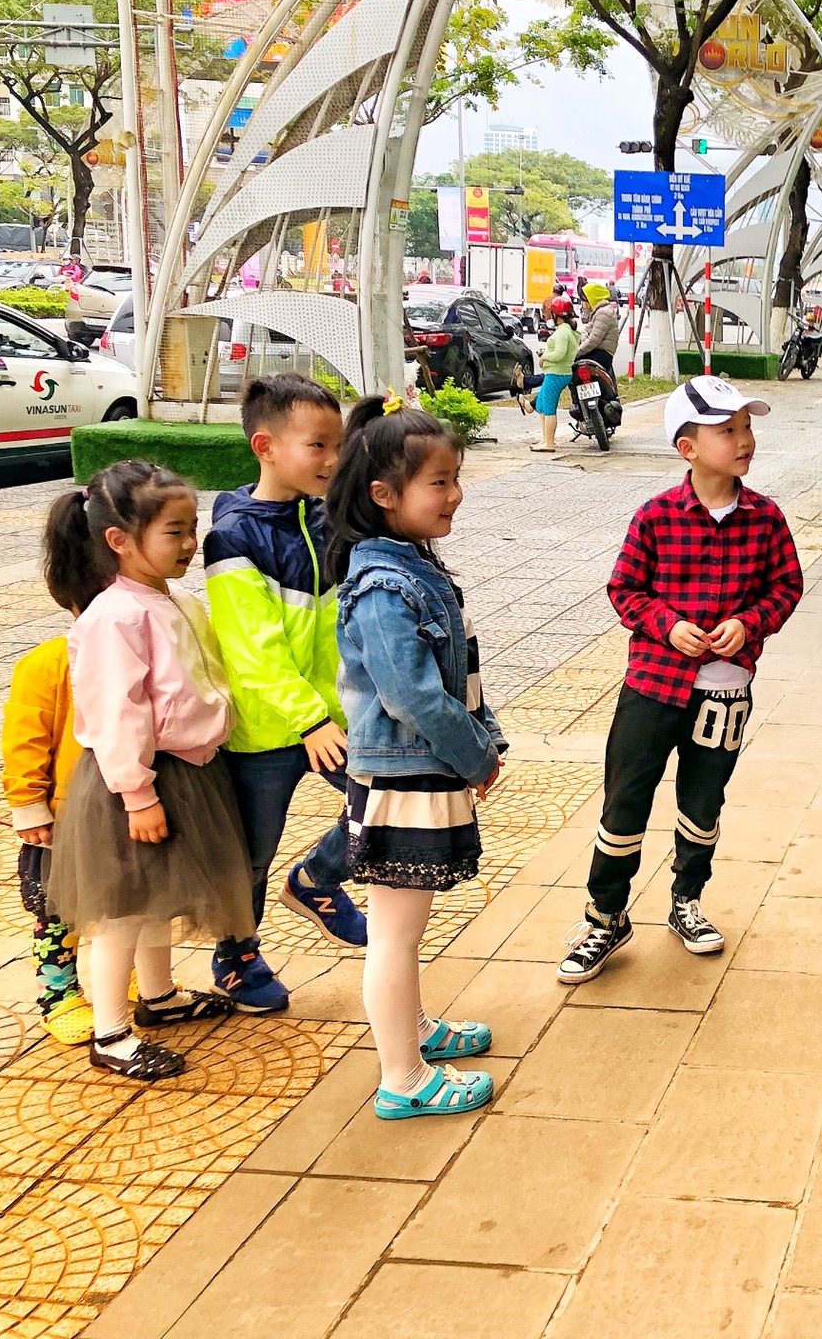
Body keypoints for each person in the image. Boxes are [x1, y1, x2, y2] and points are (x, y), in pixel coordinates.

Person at [556, 377, 804, 983]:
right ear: (687, 447)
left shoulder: (766, 518)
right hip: (652, 685)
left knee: (702, 800)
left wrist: (750, 624)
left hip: (726, 691)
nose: (744, 439)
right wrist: (667, 626)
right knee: (626, 797)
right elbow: (624, 589)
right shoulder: (657, 517)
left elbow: (787, 587)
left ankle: (687, 900)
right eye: (728, 430)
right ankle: (605, 916)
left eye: (747, 426)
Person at [42, 462, 252, 1080]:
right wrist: (137, 794)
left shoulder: (171, 597)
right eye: (174, 532)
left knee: (158, 898)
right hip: (133, 782)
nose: (191, 544)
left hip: (182, 775)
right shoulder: (114, 616)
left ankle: (157, 997)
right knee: (121, 910)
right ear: (119, 540)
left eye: (193, 528)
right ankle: (109, 1031)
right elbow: (118, 712)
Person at [328, 395, 504, 1119]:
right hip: (403, 776)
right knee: (394, 936)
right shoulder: (381, 586)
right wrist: (476, 756)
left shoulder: (411, 565)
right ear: (384, 495)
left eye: (455, 477)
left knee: (405, 928)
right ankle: (402, 1077)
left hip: (420, 771)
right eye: (438, 482)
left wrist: (483, 744)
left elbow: (459, 674)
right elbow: (415, 699)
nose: (454, 494)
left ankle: (414, 1030)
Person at [203, 375, 365, 1017]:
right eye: (318, 446)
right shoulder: (233, 538)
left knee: (384, 802)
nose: (332, 459)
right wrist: (306, 719)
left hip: (335, 716)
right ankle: (238, 955)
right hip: (269, 729)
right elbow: (253, 651)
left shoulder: (333, 519)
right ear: (265, 445)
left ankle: (318, 879)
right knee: (251, 852)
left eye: (339, 445)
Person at [2, 597, 91, 1045]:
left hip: (118, 812)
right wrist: (29, 807)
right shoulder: (47, 663)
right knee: (56, 911)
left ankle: (130, 974)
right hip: (59, 817)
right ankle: (58, 994)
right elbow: (24, 740)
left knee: (127, 900)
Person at [530, 310, 580, 453]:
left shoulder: (563, 332)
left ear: (557, 316)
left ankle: (549, 443)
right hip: (553, 372)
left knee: (549, 409)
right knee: (541, 405)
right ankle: (545, 439)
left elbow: (559, 354)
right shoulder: (565, 330)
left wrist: (544, 357)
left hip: (557, 373)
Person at [578, 282, 618, 374]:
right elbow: (585, 332)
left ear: (591, 299)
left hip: (601, 355)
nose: (583, 304)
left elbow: (593, 341)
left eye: (584, 301)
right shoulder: (598, 312)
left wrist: (576, 353)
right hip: (598, 352)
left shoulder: (603, 313)